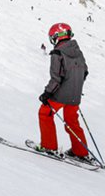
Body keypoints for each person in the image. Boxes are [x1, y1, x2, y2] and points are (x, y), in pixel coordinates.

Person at [36, 23, 89, 160]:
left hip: (60, 95)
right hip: (75, 96)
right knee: (72, 121)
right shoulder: (78, 52)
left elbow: (56, 78)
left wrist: (47, 93)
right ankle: (80, 152)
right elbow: (85, 72)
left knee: (45, 113)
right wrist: (75, 87)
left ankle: (49, 146)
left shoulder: (57, 53)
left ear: (56, 37)